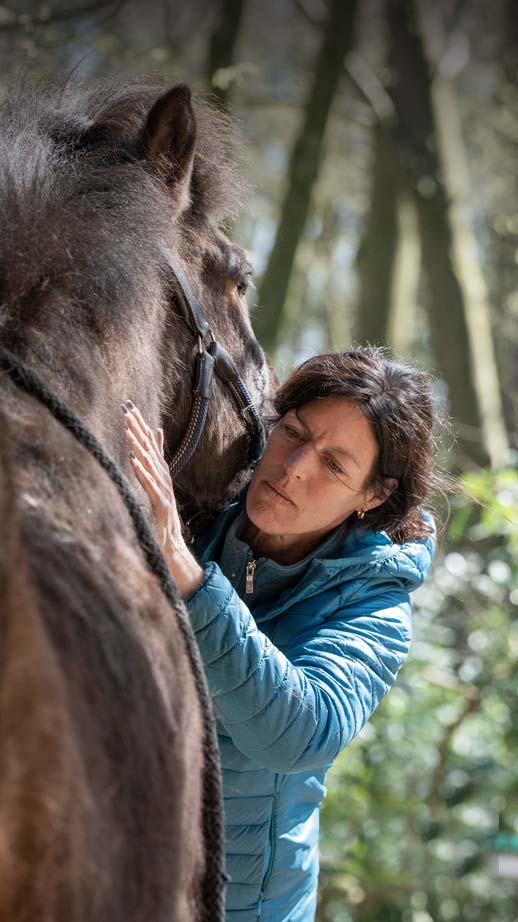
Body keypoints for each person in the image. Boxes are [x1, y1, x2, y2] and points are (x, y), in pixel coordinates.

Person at [124, 346, 440, 922]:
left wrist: (190, 579)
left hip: (239, 904)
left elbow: (300, 734)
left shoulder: (376, 601)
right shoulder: (196, 504)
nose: (294, 467)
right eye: (294, 432)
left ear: (373, 496)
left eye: (335, 465)